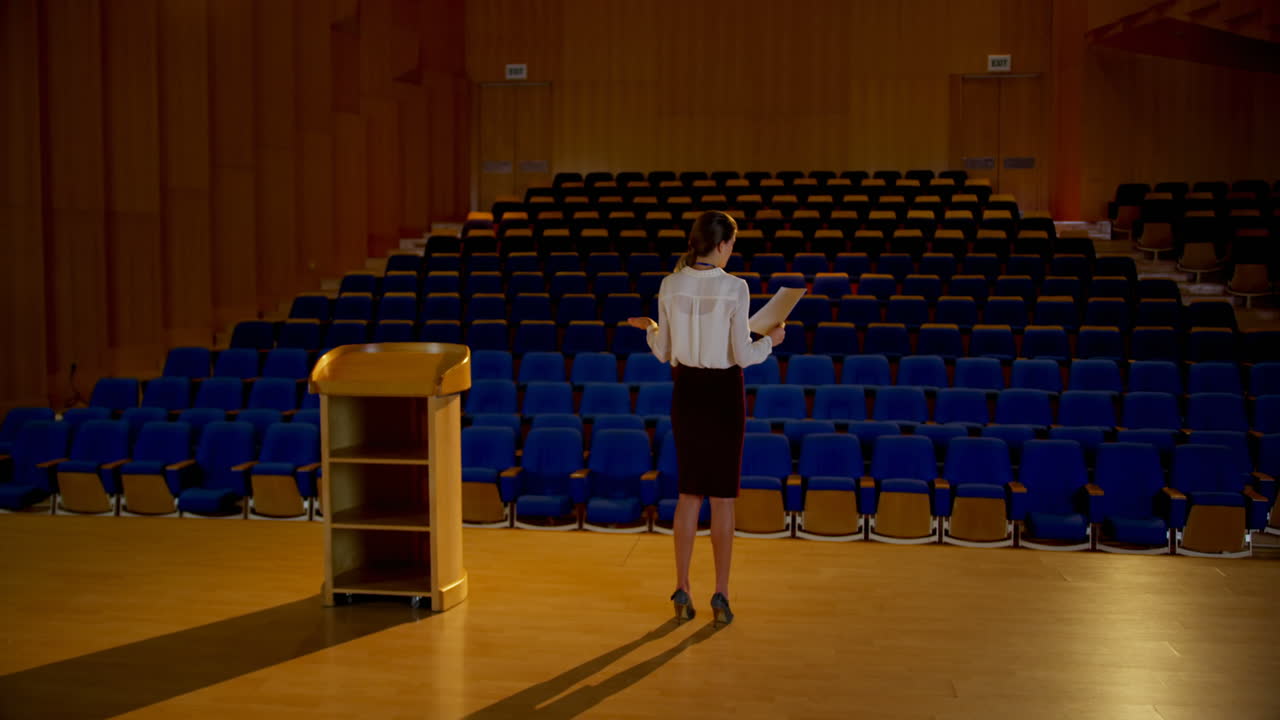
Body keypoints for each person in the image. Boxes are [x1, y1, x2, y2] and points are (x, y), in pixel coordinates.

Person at [627, 210, 785, 627]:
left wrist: (650, 329)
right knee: (722, 497)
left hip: (687, 392)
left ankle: (682, 586)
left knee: (688, 493)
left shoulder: (670, 283)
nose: (732, 251)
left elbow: (663, 352)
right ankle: (721, 592)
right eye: (732, 244)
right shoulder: (735, 288)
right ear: (720, 244)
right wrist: (771, 339)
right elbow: (743, 355)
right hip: (723, 394)